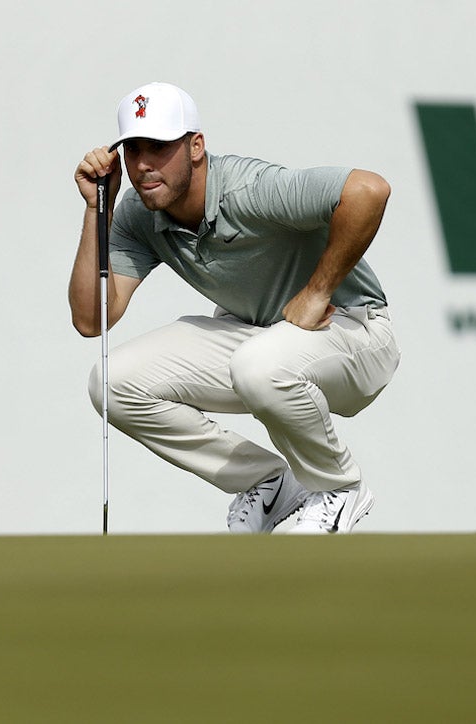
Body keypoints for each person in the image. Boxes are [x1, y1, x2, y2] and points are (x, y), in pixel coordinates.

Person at [69, 82, 401, 534]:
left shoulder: (249, 190)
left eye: (160, 147)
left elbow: (369, 190)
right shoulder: (137, 214)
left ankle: (339, 489)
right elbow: (93, 320)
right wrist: (97, 211)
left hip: (356, 332)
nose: (144, 164)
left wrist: (318, 290)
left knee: (258, 364)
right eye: (133, 149)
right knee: (110, 382)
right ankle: (269, 482)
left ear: (196, 146)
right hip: (262, 338)